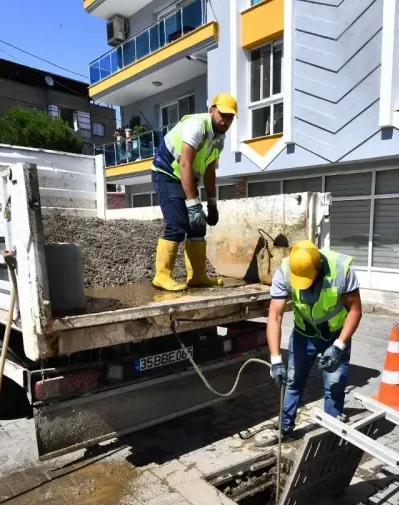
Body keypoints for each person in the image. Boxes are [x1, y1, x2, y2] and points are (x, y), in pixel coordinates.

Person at [261, 240, 363, 446]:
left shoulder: (342, 270)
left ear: (318, 268)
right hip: (303, 333)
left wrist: (339, 347)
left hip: (335, 335)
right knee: (292, 380)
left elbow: (355, 310)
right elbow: (275, 316)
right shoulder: (285, 271)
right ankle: (285, 428)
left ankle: (330, 433)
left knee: (334, 384)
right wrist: (275, 360)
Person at [150, 93, 238, 291]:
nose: (225, 120)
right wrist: (192, 203)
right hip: (167, 173)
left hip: (185, 176)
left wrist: (212, 203)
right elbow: (185, 163)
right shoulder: (196, 126)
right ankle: (162, 276)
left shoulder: (219, 139)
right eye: (222, 114)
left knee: (197, 226)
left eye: (230, 117)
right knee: (177, 223)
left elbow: (208, 170)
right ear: (211, 110)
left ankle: (197, 276)